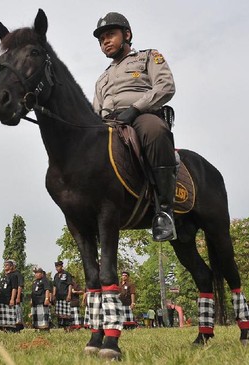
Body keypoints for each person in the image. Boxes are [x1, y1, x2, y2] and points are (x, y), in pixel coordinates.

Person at [92, 12, 178, 242]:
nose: (105, 42)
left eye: (110, 35)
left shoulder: (149, 57)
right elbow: (95, 110)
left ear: (127, 34)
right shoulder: (102, 79)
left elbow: (166, 86)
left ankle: (165, 211)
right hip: (109, 122)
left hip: (141, 115)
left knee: (155, 131)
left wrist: (137, 108)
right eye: (101, 40)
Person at [0, 259, 18, 332]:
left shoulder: (13, 276)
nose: (5, 266)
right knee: (2, 317)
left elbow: (14, 288)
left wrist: (12, 299)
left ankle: (10, 330)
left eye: (7, 265)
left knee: (9, 317)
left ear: (11, 267)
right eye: (4, 265)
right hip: (1, 299)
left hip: (8, 299)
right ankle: (3, 330)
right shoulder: (2, 277)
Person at [52, 260, 73, 329]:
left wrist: (69, 295)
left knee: (66, 313)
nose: (57, 268)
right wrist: (54, 295)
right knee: (59, 314)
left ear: (61, 266)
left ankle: (68, 327)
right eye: (56, 267)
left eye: (58, 266)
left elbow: (70, 285)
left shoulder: (67, 274)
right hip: (58, 297)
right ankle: (61, 327)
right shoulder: (55, 276)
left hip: (65, 296)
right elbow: (54, 286)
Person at [30, 266, 52, 331]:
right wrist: (31, 299)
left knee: (42, 315)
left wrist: (47, 299)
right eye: (35, 273)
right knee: (36, 316)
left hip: (42, 300)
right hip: (35, 301)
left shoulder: (45, 280)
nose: (36, 274)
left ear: (41, 273)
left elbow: (47, 290)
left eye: (37, 273)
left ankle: (45, 329)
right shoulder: (35, 282)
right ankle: (38, 328)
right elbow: (33, 291)